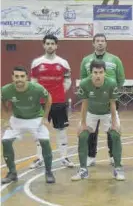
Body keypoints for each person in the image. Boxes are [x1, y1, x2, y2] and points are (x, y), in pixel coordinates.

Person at [71, 60, 125, 181]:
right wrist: (83, 123)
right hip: (91, 113)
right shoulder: (85, 84)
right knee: (83, 135)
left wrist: (115, 123)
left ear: (105, 73)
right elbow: (84, 104)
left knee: (115, 135)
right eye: (95, 72)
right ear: (91, 73)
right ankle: (83, 170)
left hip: (107, 113)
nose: (98, 75)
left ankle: (118, 168)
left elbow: (113, 104)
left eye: (101, 72)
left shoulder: (111, 83)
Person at [1, 66, 56, 184]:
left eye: (22, 76)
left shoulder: (36, 88)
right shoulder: (6, 90)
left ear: (27, 77)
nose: (19, 79)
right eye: (16, 76)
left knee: (45, 141)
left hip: (36, 119)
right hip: (17, 119)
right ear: (12, 77)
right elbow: (2, 101)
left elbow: (49, 98)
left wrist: (45, 117)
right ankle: (12, 173)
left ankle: (49, 172)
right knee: (5, 141)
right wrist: (6, 119)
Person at [80, 33, 126, 167]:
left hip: (110, 98)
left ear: (106, 43)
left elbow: (121, 79)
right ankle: (90, 156)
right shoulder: (86, 60)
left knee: (112, 128)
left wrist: (111, 91)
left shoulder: (115, 59)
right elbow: (83, 78)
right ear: (93, 43)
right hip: (92, 100)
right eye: (97, 41)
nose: (100, 43)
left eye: (102, 41)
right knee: (90, 130)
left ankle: (113, 156)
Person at [30, 34, 75, 169]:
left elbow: (67, 80)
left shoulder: (63, 63)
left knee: (61, 130)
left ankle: (64, 158)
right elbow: (33, 82)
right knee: (39, 130)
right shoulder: (37, 63)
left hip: (58, 101)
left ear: (56, 46)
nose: (50, 46)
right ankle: (39, 158)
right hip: (42, 102)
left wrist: (59, 93)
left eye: (52, 43)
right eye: (47, 43)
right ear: (44, 45)